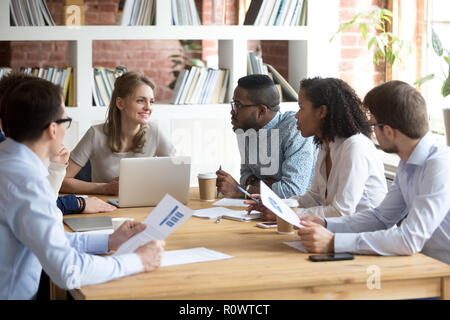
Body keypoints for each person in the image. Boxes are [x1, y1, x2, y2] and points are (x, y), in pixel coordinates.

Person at [0, 77, 165, 299]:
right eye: (65, 121)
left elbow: (49, 238)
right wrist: (138, 261)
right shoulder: (25, 181)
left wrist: (110, 240)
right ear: (52, 130)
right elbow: (68, 270)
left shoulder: (10, 164)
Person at [297, 80, 450, 265]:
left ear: (387, 131)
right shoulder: (406, 160)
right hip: (424, 265)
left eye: (373, 126)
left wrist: (334, 242)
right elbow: (381, 217)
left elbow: (410, 240)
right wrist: (326, 224)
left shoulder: (439, 165)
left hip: (441, 271)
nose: (370, 132)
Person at [248, 77, 387, 220]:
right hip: (341, 236)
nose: (296, 115)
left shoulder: (355, 147)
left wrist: (286, 213)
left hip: (366, 237)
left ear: (321, 112)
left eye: (301, 108)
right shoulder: (326, 145)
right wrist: (276, 204)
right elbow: (314, 197)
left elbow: (341, 212)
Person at [0, 71, 115, 215]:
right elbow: (40, 210)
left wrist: (56, 168)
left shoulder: (20, 155)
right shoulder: (16, 165)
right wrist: (78, 203)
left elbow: (43, 206)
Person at [61, 71, 176, 195]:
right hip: (105, 206)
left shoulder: (155, 132)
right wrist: (104, 188)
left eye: (151, 101)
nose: (148, 107)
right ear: (120, 103)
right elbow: (62, 181)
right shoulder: (95, 134)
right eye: (140, 101)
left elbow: (176, 175)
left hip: (144, 205)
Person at [216, 74, 317, 199]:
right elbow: (246, 175)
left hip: (300, 212)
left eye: (238, 105)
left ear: (262, 111)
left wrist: (242, 191)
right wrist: (269, 186)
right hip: (263, 209)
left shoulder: (294, 129)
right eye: (233, 104)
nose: (232, 111)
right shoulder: (245, 128)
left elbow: (292, 191)